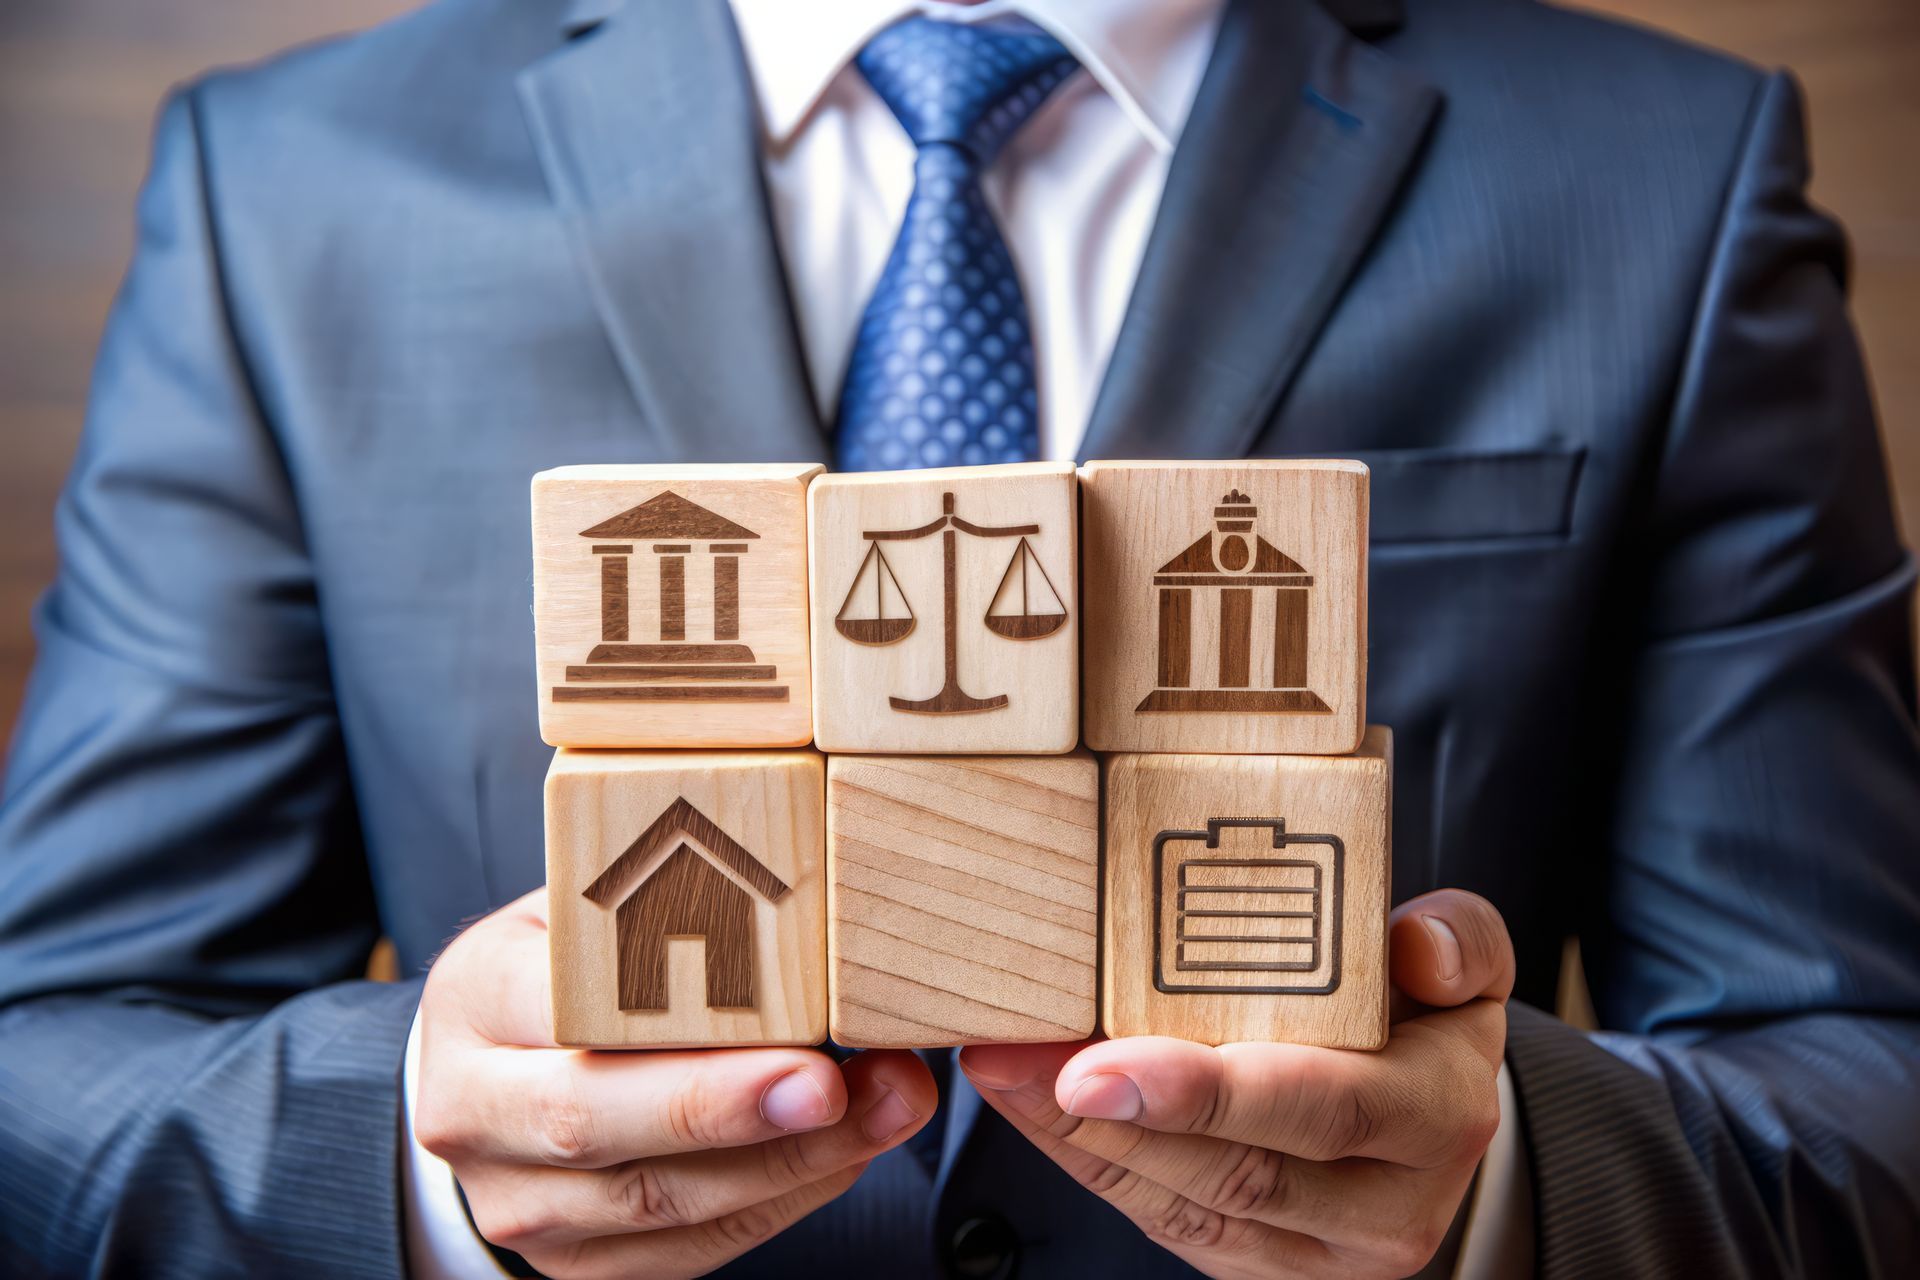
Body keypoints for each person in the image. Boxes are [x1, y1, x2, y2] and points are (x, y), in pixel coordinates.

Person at [2, 0, 1916, 1275]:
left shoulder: (1663, 167)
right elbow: (52, 1060)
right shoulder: (290, 188)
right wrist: (420, 1164)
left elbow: (1867, 1081)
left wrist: (1497, 1180)